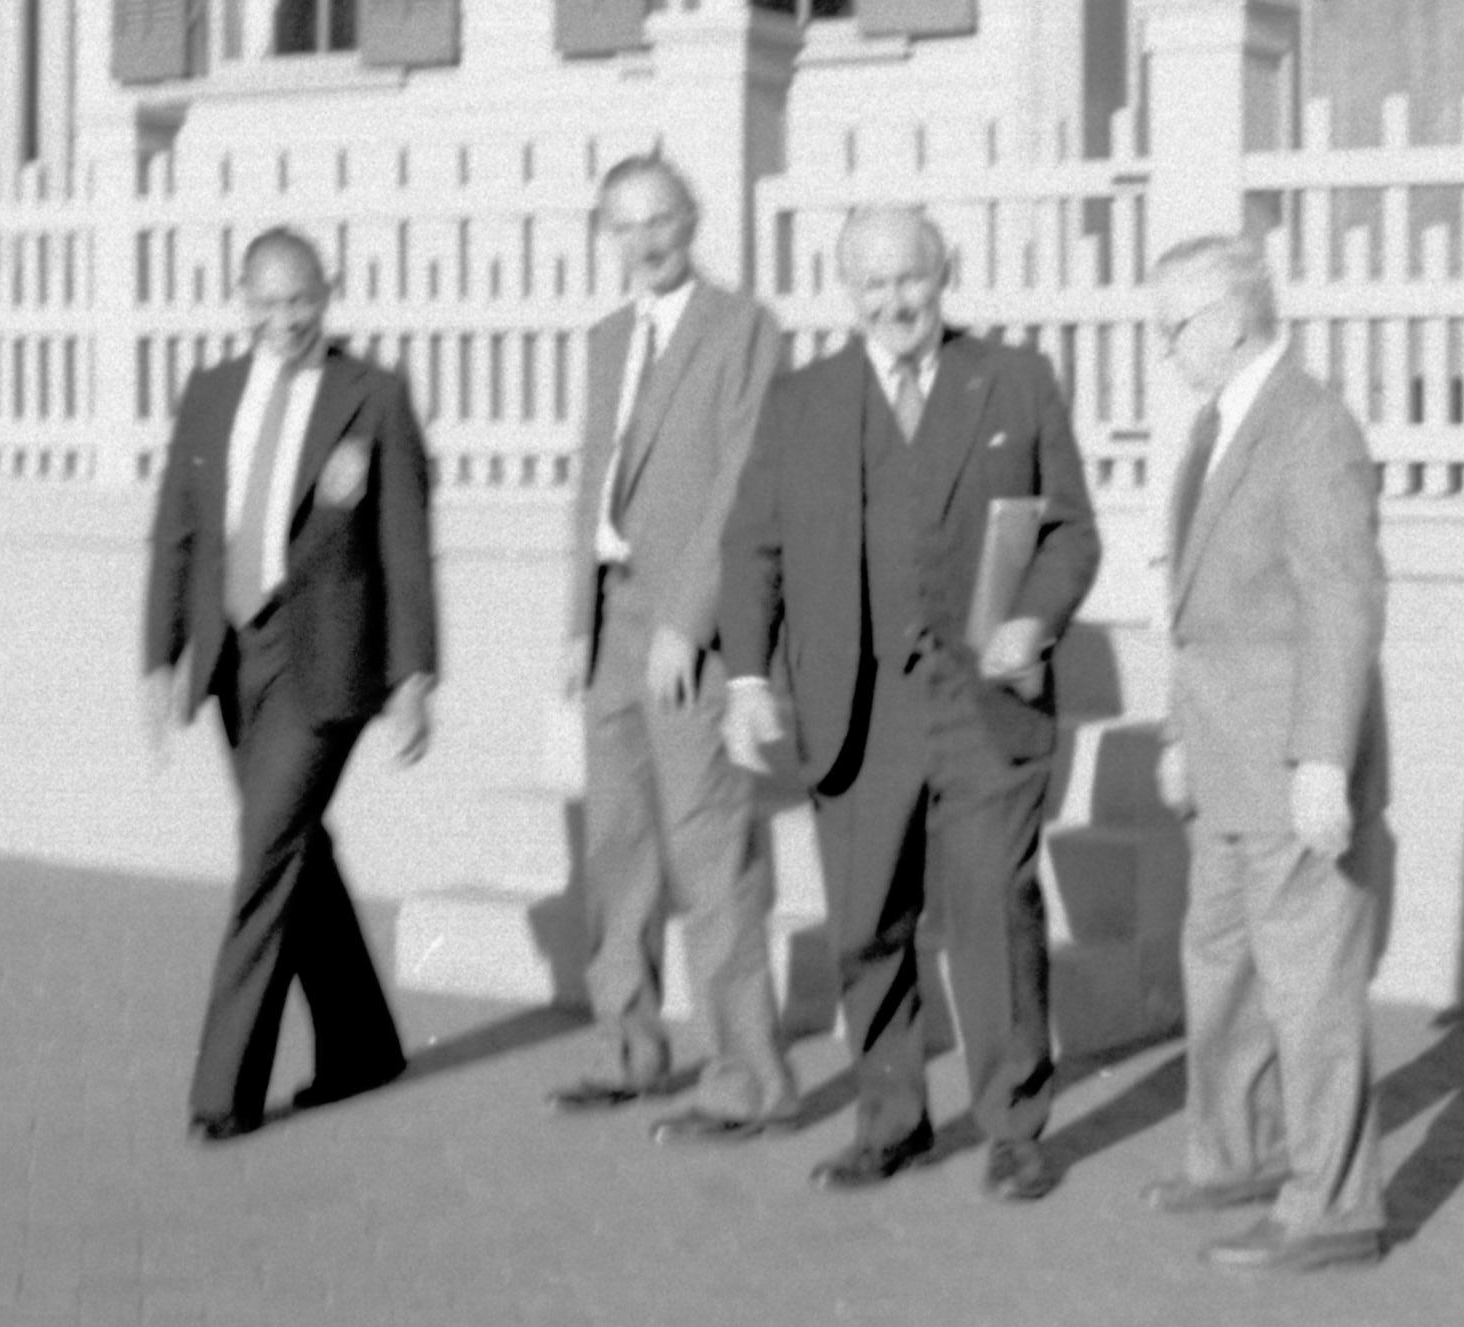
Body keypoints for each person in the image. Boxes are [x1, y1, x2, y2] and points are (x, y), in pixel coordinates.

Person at [717, 204, 1100, 1201]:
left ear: (946, 273)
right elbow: (752, 548)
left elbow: (1071, 533)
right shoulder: (802, 401)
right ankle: (891, 1122)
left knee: (993, 912)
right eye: (874, 285)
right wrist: (749, 678)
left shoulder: (1014, 379)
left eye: (912, 280)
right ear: (850, 294)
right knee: (866, 921)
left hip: (985, 705)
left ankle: (1015, 1125)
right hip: (857, 707)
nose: (895, 301)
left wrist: (1033, 621)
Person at [142, 229, 435, 1143]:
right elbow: (177, 534)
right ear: (242, 301)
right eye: (266, 304)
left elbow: (405, 546)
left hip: (328, 663)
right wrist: (160, 660)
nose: (285, 320)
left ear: (329, 291)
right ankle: (361, 1046)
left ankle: (222, 1090)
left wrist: (417, 676)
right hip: (234, 655)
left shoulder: (372, 398)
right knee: (295, 846)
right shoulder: (211, 394)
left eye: (300, 300)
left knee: (266, 852)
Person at [1143, 233, 1389, 1270]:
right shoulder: (1220, 426)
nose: (1166, 350)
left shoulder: (1310, 428)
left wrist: (1324, 761)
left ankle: (1331, 1207)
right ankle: (1237, 1155)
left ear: (1228, 318)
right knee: (1223, 966)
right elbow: (1206, 607)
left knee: (1308, 988)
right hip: (1223, 759)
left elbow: (1342, 597)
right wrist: (1176, 734)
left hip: (1290, 766)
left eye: (1172, 328)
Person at [550, 155, 801, 1140]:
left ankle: (751, 1080)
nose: (645, 239)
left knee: (708, 854)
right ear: (605, 233)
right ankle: (630, 1049)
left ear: (693, 218)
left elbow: (744, 482)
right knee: (617, 851)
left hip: (686, 623)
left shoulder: (743, 330)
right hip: (610, 617)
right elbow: (593, 484)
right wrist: (576, 623)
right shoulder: (610, 338)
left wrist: (687, 625)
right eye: (625, 224)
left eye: (661, 219)